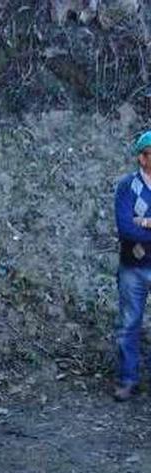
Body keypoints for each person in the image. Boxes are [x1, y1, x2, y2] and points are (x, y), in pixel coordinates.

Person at [113, 130, 151, 400]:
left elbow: (136, 225)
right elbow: (126, 227)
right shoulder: (128, 186)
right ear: (142, 157)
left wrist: (145, 222)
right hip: (133, 266)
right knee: (129, 323)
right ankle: (128, 379)